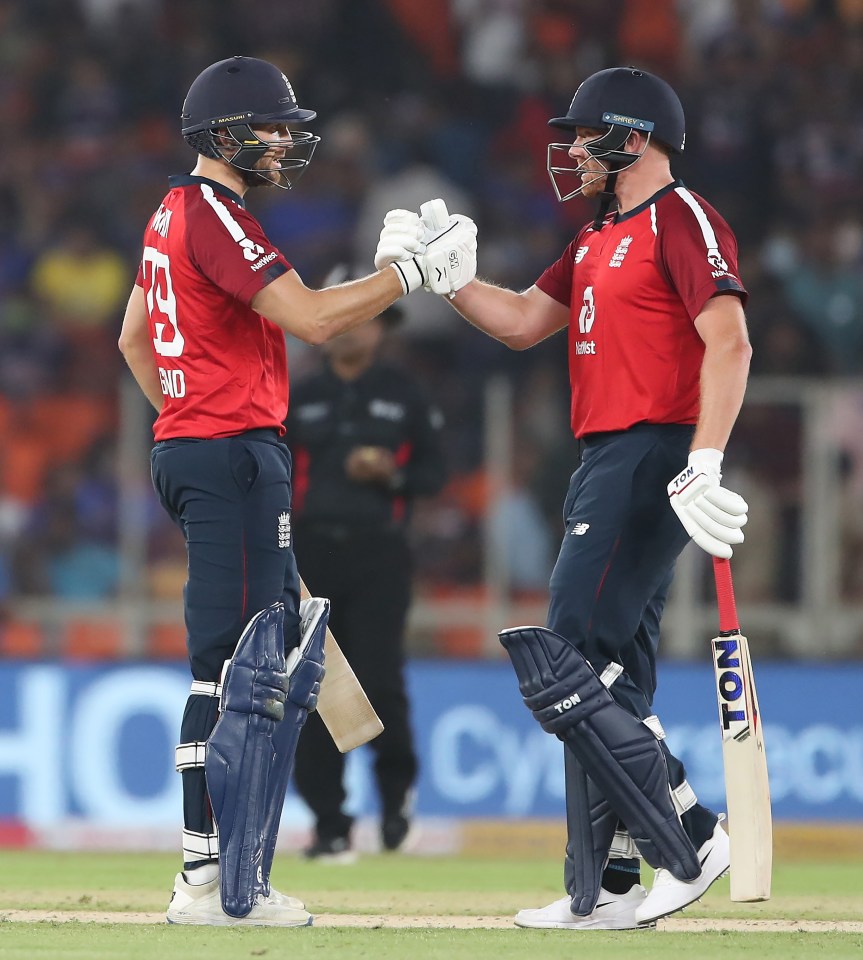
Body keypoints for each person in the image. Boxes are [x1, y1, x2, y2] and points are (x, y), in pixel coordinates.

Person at [376, 66, 751, 930]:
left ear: (633, 135)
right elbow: (515, 323)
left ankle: (689, 833)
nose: (573, 151)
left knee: (566, 658)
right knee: (613, 676)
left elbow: (727, 343)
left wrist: (703, 459)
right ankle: (607, 887)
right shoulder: (593, 239)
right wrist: (439, 279)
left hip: (651, 450)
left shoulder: (678, 217)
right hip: (605, 455)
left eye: (585, 135)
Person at [117, 55, 474, 927]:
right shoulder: (212, 212)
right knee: (233, 670)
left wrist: (188, 418)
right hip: (231, 451)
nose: (284, 142)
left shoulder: (171, 212)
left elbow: (133, 340)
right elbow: (312, 319)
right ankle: (210, 883)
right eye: (271, 128)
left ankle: (215, 874)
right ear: (226, 134)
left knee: (254, 658)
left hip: (200, 446)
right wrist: (408, 278)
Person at [284, 266, 447, 861]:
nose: (351, 330)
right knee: (313, 686)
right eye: (342, 316)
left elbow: (433, 473)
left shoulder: (405, 392)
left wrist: (393, 476)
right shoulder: (300, 393)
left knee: (379, 683)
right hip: (310, 553)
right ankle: (330, 824)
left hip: (380, 553)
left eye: (364, 317)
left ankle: (396, 806)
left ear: (383, 328)